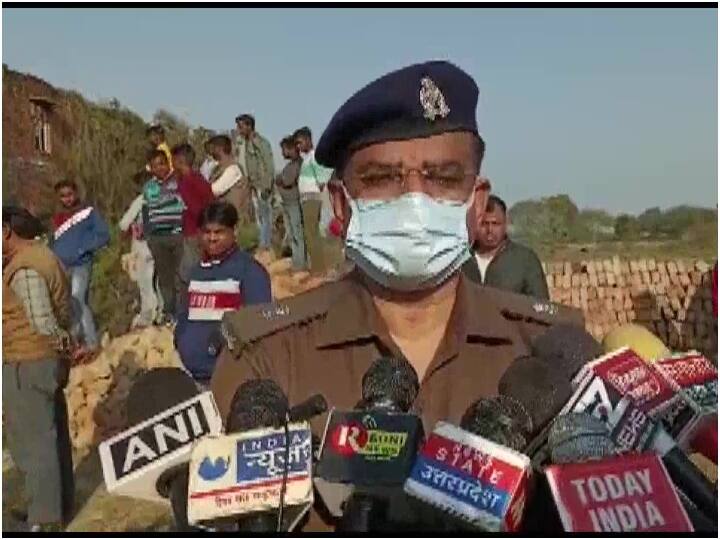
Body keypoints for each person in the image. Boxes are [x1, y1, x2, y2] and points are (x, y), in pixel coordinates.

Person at [210, 61, 583, 531]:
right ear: (342, 204)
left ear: (479, 202)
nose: (415, 202)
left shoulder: (552, 356)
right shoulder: (266, 357)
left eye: (443, 178)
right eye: (383, 179)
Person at [2, 205, 75, 532]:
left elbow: (43, 322)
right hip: (41, 360)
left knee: (33, 442)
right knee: (51, 436)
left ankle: (45, 519)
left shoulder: (26, 268)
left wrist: (65, 346)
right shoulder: (41, 256)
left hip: (28, 362)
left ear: (6, 230)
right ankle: (55, 505)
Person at [175, 202, 271, 386]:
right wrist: (180, 338)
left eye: (218, 232)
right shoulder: (196, 273)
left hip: (233, 379)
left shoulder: (248, 271)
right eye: (206, 232)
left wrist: (220, 342)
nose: (211, 238)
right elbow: (185, 313)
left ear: (233, 231)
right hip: (196, 378)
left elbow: (260, 321)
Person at [51, 180, 110, 353]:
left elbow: (103, 235)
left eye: (69, 194)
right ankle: (76, 342)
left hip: (81, 264)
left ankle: (91, 343)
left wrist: (83, 248)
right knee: (67, 304)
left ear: (75, 194)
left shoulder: (88, 213)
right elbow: (52, 242)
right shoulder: (56, 219)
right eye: (62, 196)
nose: (67, 199)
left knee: (78, 298)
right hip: (61, 266)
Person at [462, 194, 549, 300]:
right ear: (473, 223)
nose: (490, 230)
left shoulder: (525, 261)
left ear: (506, 223)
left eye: (495, 224)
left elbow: (541, 307)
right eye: (484, 224)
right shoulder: (460, 260)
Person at [142, 150, 186, 323]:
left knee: (181, 275)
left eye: (162, 163)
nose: (159, 167)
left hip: (177, 235)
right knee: (164, 277)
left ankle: (184, 311)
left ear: (168, 163)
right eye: (155, 165)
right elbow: (146, 211)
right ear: (150, 169)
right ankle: (169, 312)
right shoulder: (148, 187)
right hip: (157, 239)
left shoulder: (178, 183)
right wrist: (148, 235)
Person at [171, 143, 215, 303]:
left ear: (180, 161)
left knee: (188, 274)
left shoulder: (186, 183)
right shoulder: (199, 180)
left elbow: (196, 209)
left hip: (193, 233)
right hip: (199, 232)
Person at [118, 172, 163, 327]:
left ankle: (148, 316)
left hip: (142, 247)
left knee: (145, 284)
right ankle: (161, 313)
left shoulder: (141, 201)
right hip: (160, 245)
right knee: (158, 283)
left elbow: (124, 224)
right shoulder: (164, 199)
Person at [294, 126, 335, 275]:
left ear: (308, 140)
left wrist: (316, 188)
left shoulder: (314, 156)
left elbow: (323, 178)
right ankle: (318, 267)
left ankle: (318, 270)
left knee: (311, 233)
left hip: (312, 197)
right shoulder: (307, 159)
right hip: (307, 198)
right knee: (311, 233)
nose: (298, 147)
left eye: (300, 143)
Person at [236, 114, 275, 252]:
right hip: (253, 184)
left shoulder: (261, 143)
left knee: (265, 215)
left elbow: (268, 164)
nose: (239, 130)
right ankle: (262, 243)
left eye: (241, 127)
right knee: (259, 216)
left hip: (263, 184)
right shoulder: (245, 144)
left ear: (249, 126)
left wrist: (267, 184)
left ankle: (266, 245)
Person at [275, 135, 307, 271]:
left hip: (293, 202)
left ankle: (301, 263)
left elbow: (287, 181)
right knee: (292, 233)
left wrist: (280, 179)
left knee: (297, 233)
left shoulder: (298, 164)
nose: (282, 153)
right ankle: (297, 261)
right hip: (287, 202)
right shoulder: (290, 165)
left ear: (290, 149)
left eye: (284, 150)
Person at [207, 134, 250, 222]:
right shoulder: (217, 168)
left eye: (212, 148)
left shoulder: (233, 169)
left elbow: (215, 190)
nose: (210, 152)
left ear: (219, 149)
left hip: (231, 220)